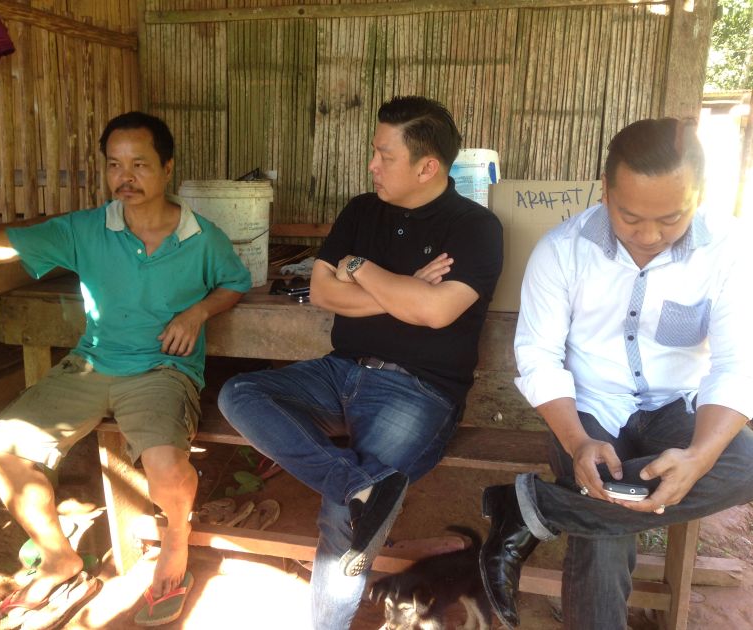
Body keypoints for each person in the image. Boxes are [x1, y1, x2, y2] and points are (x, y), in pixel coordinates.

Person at [0, 111, 252, 629]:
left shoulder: (204, 238)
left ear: (167, 168)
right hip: (90, 365)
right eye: (115, 165)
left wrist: (198, 311)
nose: (126, 177)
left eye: (140, 164)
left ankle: (176, 547)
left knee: (166, 468)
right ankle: (59, 558)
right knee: (1, 449)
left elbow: (235, 282)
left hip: (163, 370)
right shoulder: (85, 229)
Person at [218, 95, 503, 629]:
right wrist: (404, 290)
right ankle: (360, 486)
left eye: (384, 155)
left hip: (419, 393)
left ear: (428, 166)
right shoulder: (361, 210)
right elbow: (324, 292)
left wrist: (360, 267)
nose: (372, 165)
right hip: (340, 370)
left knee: (339, 522)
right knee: (239, 394)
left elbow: (436, 312)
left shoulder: (475, 227)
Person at [479, 117, 753, 630]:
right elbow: (539, 357)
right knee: (604, 519)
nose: (649, 236)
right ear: (605, 191)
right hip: (588, 411)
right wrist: (578, 441)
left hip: (677, 407)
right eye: (630, 217)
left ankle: (532, 510)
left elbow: (737, 363)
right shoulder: (561, 250)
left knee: (744, 463)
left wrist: (698, 455)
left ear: (700, 196)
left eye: (671, 218)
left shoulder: (732, 252)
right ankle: (561, 507)